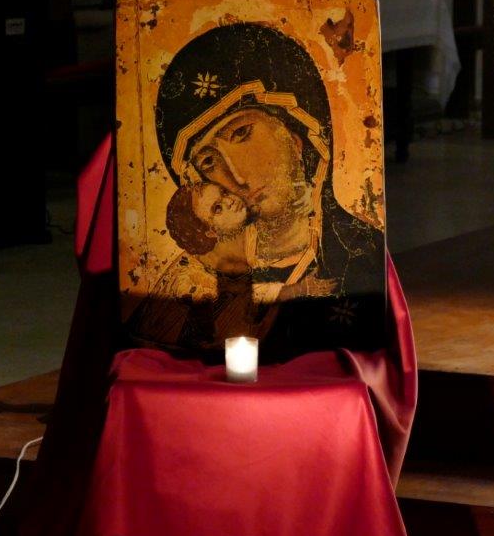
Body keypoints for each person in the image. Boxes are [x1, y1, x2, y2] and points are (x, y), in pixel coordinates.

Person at [128, 23, 386, 360]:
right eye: (209, 161)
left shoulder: (362, 254)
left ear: (294, 133)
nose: (236, 177)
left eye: (241, 133)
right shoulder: (197, 283)